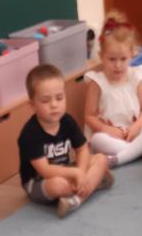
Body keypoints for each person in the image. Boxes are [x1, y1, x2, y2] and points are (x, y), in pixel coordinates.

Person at [18, 63, 113, 219]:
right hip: (39, 181)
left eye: (59, 98)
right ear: (32, 105)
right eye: (45, 101)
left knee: (101, 159)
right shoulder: (30, 133)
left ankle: (76, 198)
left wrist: (80, 171)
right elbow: (45, 170)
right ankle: (93, 184)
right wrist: (76, 173)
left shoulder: (67, 121)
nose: (54, 105)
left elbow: (82, 149)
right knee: (58, 184)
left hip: (66, 170)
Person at [84, 10, 142, 166]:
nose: (118, 65)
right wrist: (108, 130)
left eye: (123, 59)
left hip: (137, 131)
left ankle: (124, 156)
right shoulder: (96, 82)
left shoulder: (136, 76)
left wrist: (136, 127)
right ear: (101, 56)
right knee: (97, 140)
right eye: (112, 59)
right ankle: (140, 151)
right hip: (112, 135)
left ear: (132, 55)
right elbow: (89, 116)